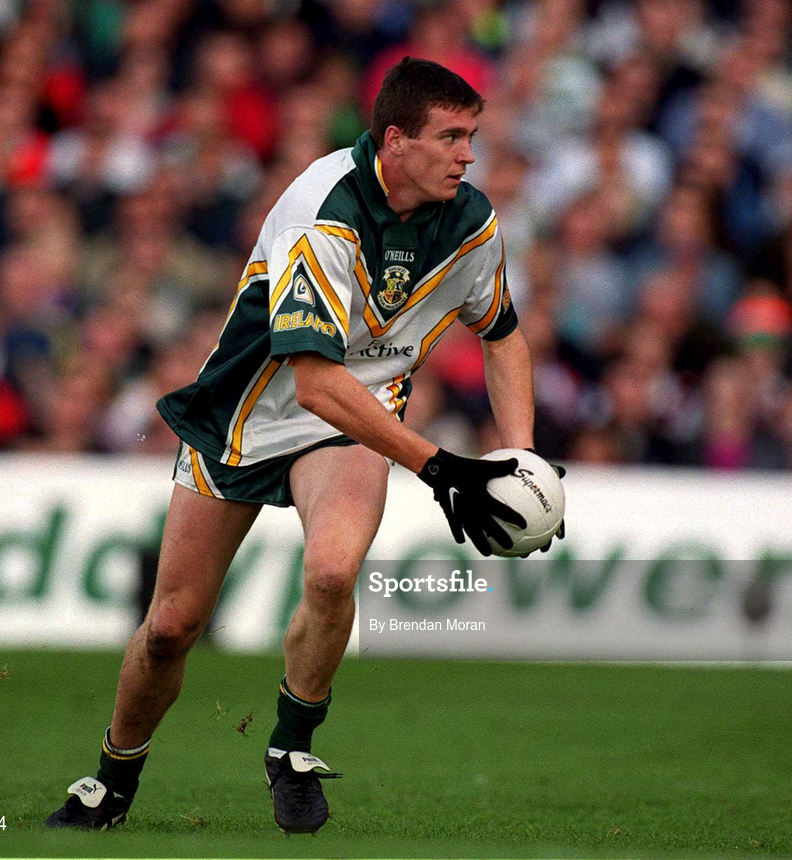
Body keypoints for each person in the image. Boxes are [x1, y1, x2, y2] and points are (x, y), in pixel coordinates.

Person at [45, 57, 561, 836]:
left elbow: (503, 334)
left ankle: (290, 750)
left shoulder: (471, 223)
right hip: (244, 417)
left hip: (352, 423)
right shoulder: (324, 212)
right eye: (451, 137)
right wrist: (440, 467)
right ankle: (112, 782)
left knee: (331, 572)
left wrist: (520, 460)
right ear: (396, 141)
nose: (468, 155)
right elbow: (313, 381)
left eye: (472, 137)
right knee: (172, 626)